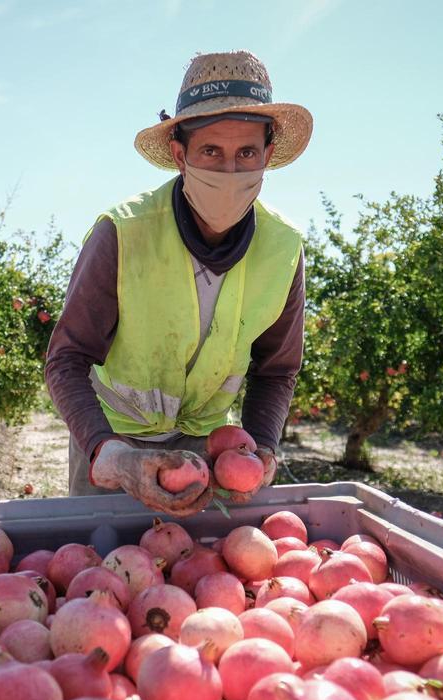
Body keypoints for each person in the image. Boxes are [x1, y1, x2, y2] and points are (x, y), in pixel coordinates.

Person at [45, 50, 312, 517]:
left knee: (199, 577)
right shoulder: (124, 233)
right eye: (211, 151)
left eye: (246, 153)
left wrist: (263, 447)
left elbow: (276, 369)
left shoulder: (283, 249)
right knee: (100, 571)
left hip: (208, 452)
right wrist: (108, 456)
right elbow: (66, 359)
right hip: (114, 441)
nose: (229, 171)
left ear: (267, 155)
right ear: (179, 154)